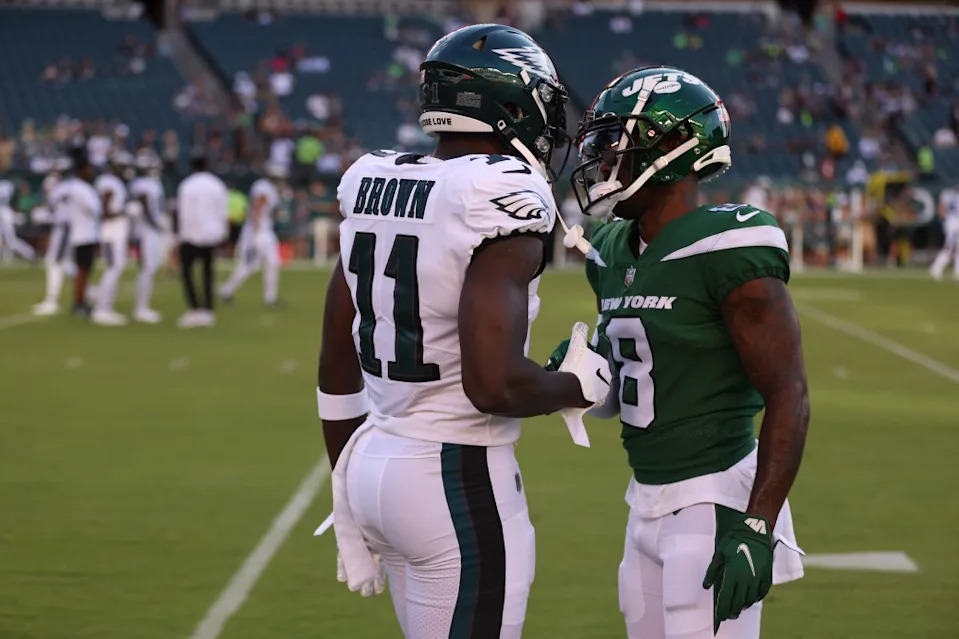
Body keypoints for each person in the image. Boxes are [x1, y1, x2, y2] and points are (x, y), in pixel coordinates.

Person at [317, 24, 611, 639]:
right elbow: (494, 384)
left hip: (375, 461)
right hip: (455, 474)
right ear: (509, 105)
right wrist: (575, 386)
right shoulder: (499, 190)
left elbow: (337, 360)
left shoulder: (371, 178)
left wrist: (346, 485)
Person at [548, 66, 808, 639]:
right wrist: (581, 377)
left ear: (671, 148)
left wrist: (758, 524)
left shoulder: (729, 246)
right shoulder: (613, 248)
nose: (601, 158)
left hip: (712, 500)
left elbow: (789, 394)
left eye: (616, 141)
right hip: (643, 499)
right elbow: (634, 380)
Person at [33, 152, 101, 317]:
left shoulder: (65, 187)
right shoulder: (72, 186)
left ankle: (52, 301)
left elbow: (53, 208)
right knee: (69, 263)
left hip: (65, 228)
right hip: (71, 228)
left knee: (55, 262)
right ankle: (88, 291)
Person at [219, 162, 285, 306]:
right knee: (250, 265)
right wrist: (255, 232)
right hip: (259, 231)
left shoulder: (269, 188)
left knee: (272, 262)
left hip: (265, 230)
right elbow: (256, 208)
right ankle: (226, 291)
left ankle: (270, 298)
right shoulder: (264, 187)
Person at [175, 155, 228, 328]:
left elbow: (183, 212)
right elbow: (222, 211)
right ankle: (208, 308)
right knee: (208, 271)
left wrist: (180, 235)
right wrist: (222, 232)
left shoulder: (187, 185)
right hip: (211, 234)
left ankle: (195, 308)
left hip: (191, 234)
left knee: (187, 271)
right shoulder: (217, 184)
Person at [91, 155, 131, 326]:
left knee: (114, 268)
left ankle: (103, 304)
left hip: (113, 232)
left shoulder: (111, 182)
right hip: (112, 233)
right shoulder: (110, 182)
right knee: (115, 268)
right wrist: (125, 212)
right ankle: (102, 309)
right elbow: (105, 211)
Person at [128, 160, 167, 322]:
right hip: (146, 231)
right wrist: (155, 224)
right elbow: (143, 204)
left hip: (150, 230)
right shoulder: (142, 184)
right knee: (147, 268)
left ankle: (143, 306)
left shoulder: (152, 184)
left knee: (151, 267)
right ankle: (141, 307)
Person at [0, 179, 36, 262]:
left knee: (11, 242)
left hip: (5, 212)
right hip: (5, 211)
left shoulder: (8, 183)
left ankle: (30, 253)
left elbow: (15, 200)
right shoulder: (8, 183)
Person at [930, 187, 959, 281]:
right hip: (954, 223)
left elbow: (941, 209)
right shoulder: (952, 196)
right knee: (949, 248)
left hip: (951, 222)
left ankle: (957, 271)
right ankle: (935, 268)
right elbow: (942, 208)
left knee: (956, 248)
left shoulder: (949, 195)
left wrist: (945, 219)